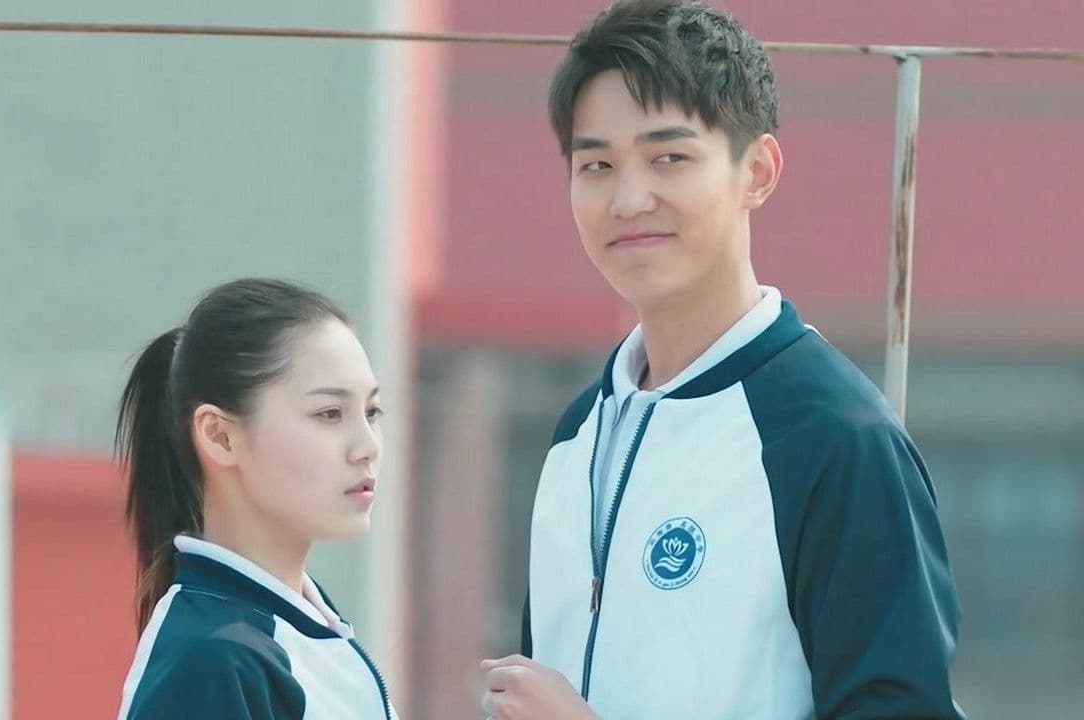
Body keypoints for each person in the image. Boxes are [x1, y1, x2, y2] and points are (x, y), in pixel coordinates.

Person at [480, 2, 964, 718]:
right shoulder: (577, 435)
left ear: (757, 171)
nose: (628, 199)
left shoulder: (835, 439)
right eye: (597, 165)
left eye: (669, 158)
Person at [115, 278, 397, 719]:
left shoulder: (296, 628)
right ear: (220, 436)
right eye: (329, 413)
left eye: (372, 412)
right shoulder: (210, 662)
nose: (367, 446)